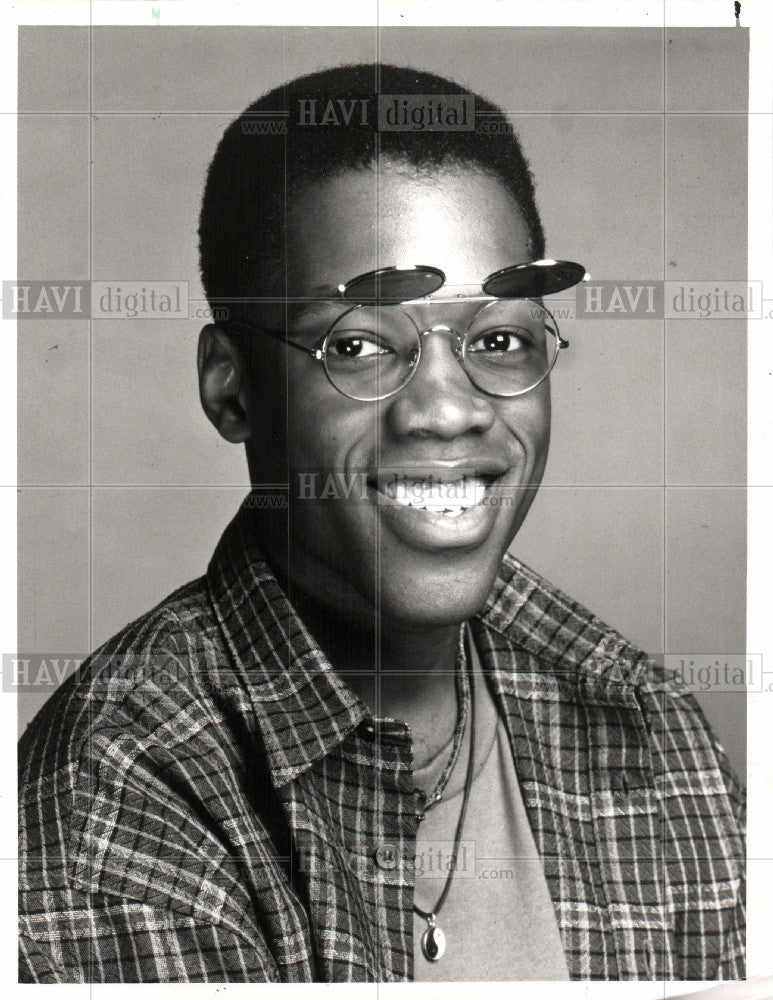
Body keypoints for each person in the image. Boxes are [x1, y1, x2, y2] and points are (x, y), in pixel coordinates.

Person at [18, 63, 744, 983]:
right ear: (230, 385)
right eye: (359, 344)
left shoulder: (642, 722)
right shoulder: (118, 805)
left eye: (498, 338)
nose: (447, 411)